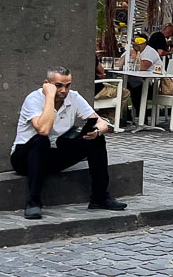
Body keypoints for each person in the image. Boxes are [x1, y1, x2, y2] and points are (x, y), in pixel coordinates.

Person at [10, 66, 126, 220]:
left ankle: (100, 197)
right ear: (47, 84)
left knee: (97, 140)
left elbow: (101, 123)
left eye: (67, 85)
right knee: (41, 140)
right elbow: (43, 129)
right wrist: (49, 97)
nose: (64, 90)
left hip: (53, 155)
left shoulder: (73, 97)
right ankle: (33, 202)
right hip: (24, 158)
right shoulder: (34, 99)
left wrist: (96, 131)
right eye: (58, 86)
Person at [119, 35, 164, 116]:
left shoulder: (150, 51)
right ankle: (125, 115)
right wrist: (127, 54)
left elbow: (142, 67)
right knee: (123, 88)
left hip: (155, 84)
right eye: (133, 41)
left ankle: (142, 117)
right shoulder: (131, 50)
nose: (135, 43)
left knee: (136, 89)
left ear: (145, 43)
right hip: (138, 81)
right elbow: (118, 66)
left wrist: (134, 55)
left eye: (139, 41)